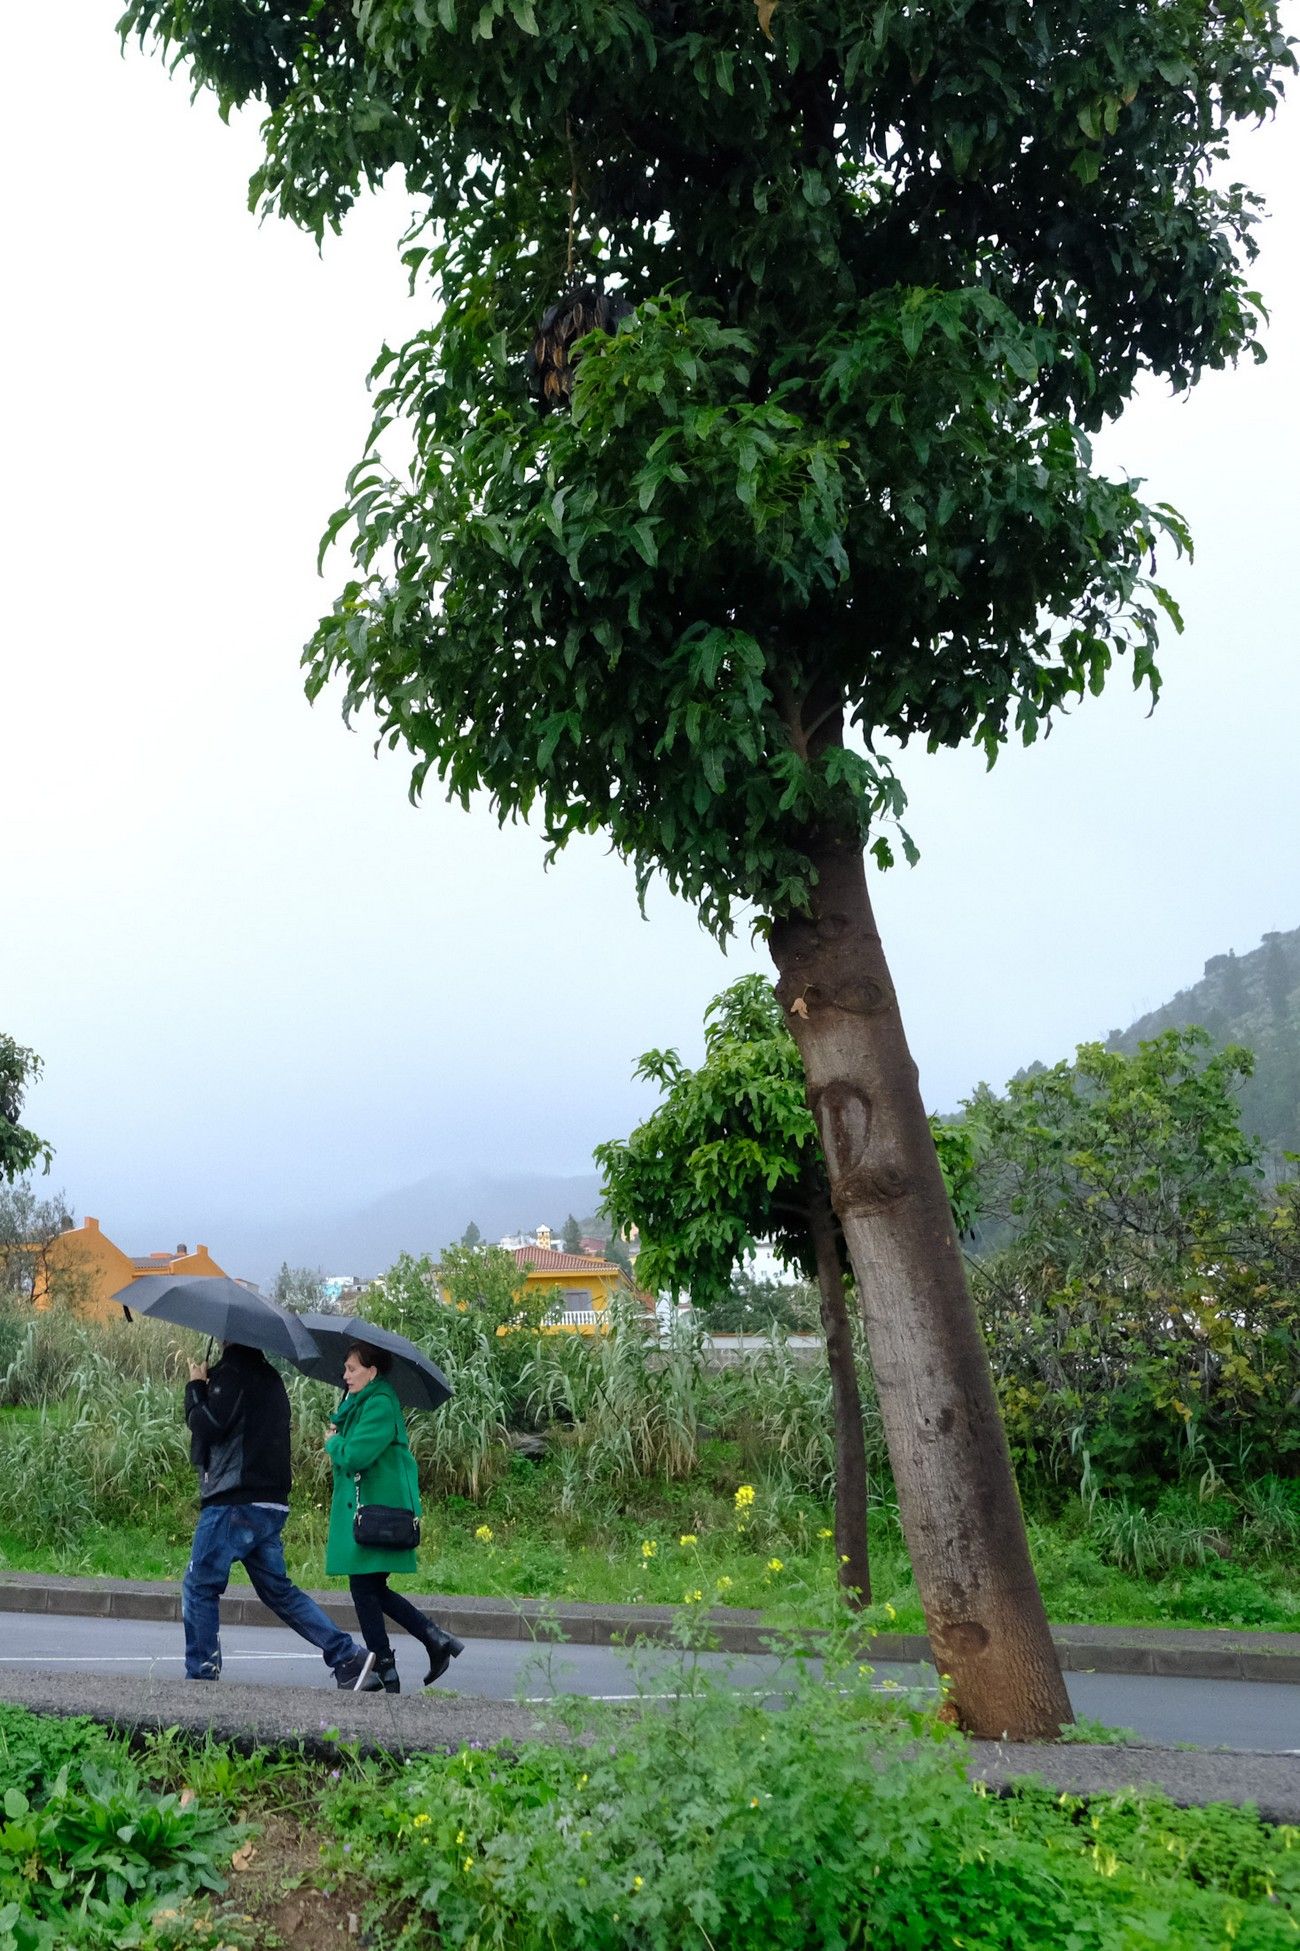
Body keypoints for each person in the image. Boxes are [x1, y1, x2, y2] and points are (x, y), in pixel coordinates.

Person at [183, 1342, 376, 1689]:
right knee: (279, 1592)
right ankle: (348, 1656)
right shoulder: (271, 1377)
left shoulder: (231, 1374)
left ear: (229, 1337)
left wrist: (196, 1386)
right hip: (270, 1503)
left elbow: (209, 1425)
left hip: (233, 1502)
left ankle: (201, 1675)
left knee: (199, 1585)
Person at [324, 1341, 463, 1694]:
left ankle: (395, 1659)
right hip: (370, 1510)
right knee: (368, 1588)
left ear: (372, 1372)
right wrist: (341, 1423)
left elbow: (356, 1455)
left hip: (379, 1513)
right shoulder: (364, 1403)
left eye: (352, 1369)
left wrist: (334, 1443)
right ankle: (409, 1653)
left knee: (365, 1587)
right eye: (346, 1369)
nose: (346, 1375)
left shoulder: (381, 1404)